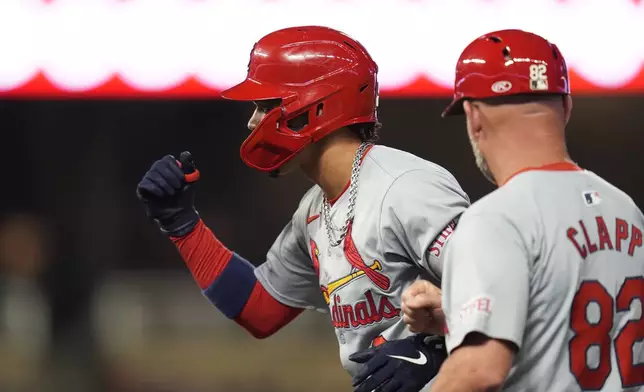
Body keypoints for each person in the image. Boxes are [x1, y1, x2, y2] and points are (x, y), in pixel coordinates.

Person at [136, 26, 470, 391]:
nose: (252, 121)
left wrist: (439, 351)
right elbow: (258, 308)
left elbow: (510, 291)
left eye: (266, 105)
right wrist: (182, 224)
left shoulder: (405, 187)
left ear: (314, 106)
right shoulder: (313, 210)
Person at [401, 29, 644, 391]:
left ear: (474, 116)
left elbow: (477, 370)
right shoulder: (625, 210)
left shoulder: (494, 219)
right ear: (566, 107)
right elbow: (578, 321)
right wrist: (463, 314)